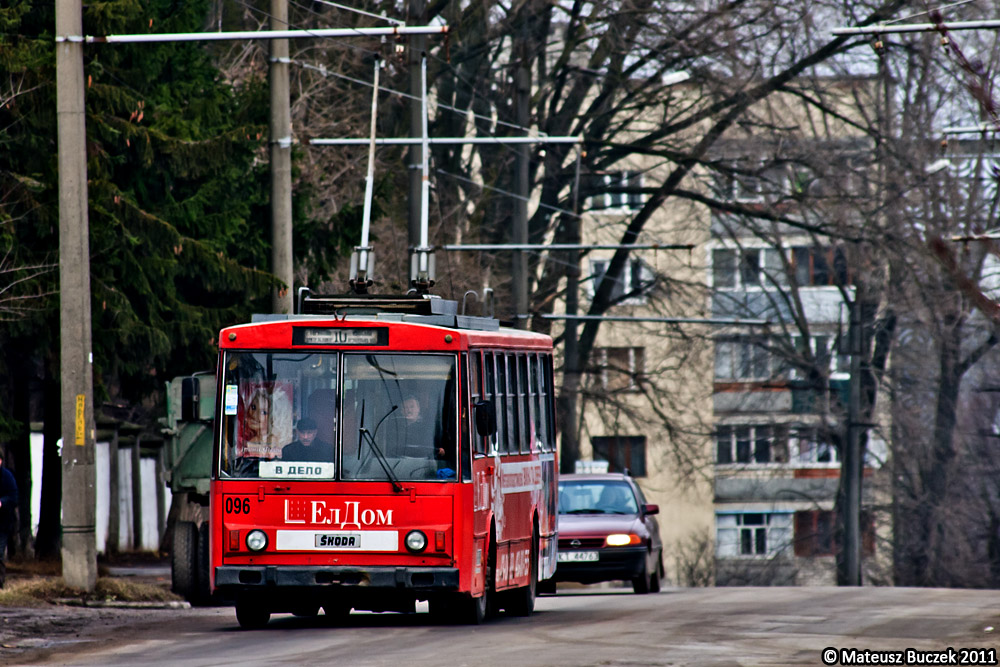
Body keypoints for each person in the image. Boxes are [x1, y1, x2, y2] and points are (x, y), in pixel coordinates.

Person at [401, 395, 444, 460]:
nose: (409, 410)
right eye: (405, 407)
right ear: (401, 411)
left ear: (418, 409)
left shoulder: (427, 428)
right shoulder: (394, 428)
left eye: (412, 407)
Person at [0, 447, 18, 588]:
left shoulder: (7, 477)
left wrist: (2, 502)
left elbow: (14, 497)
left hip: (3, 523)